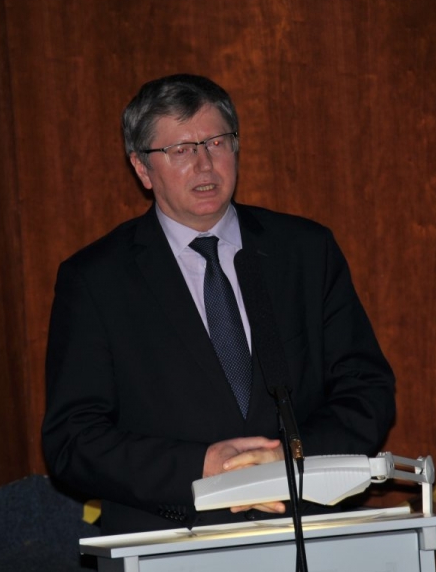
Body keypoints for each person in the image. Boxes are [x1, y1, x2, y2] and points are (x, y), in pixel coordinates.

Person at [42, 74, 396, 535]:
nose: (205, 164)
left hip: (307, 528)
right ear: (142, 169)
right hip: (171, 537)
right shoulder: (96, 279)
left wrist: (292, 456)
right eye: (180, 150)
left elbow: (367, 391)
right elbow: (73, 440)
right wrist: (203, 467)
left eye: (217, 142)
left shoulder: (305, 252)